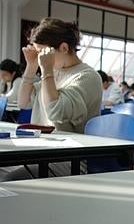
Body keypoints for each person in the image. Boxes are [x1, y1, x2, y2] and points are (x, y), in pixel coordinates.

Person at [5, 18, 102, 180]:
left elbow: (56, 112)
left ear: (63, 48)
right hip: (43, 150)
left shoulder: (87, 77)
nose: (42, 59)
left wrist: (46, 71)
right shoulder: (54, 72)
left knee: (9, 180)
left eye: (44, 53)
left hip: (70, 157)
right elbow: (23, 102)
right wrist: (31, 65)